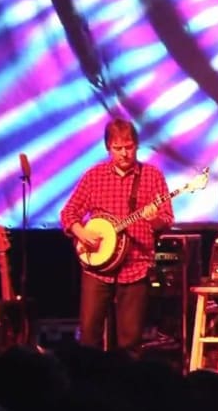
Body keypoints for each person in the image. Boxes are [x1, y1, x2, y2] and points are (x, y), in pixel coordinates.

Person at [60, 118, 174, 353]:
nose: (124, 154)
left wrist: (152, 217)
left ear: (137, 145)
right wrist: (81, 232)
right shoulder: (94, 176)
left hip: (135, 266)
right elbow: (68, 212)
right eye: (117, 148)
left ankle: (126, 387)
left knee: (130, 342)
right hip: (97, 269)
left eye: (129, 147)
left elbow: (167, 220)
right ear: (108, 148)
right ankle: (88, 386)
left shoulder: (152, 176)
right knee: (89, 336)